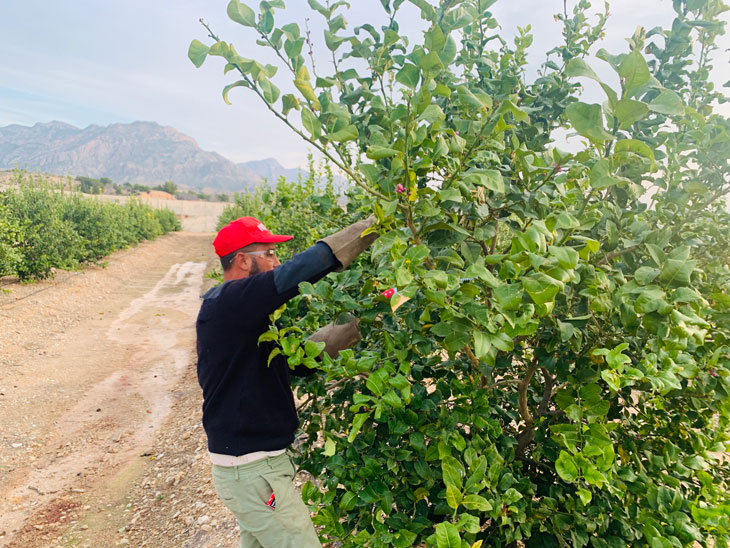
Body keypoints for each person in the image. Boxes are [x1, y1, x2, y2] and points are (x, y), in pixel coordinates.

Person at [196, 215, 377, 548]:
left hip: (251, 471)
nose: (277, 261)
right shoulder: (230, 302)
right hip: (253, 472)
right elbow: (300, 271)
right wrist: (373, 226)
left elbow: (298, 361)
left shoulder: (243, 316)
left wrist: (366, 318)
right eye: (268, 253)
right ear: (242, 260)